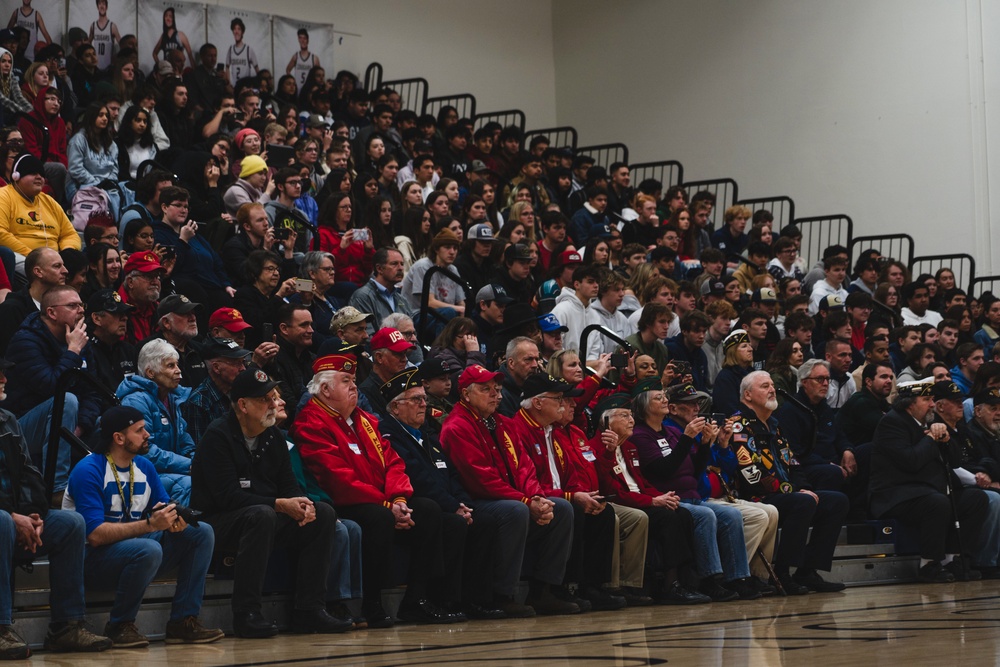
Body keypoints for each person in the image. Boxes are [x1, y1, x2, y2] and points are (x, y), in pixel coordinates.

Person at [292, 353, 460, 627]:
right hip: (343, 501)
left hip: (380, 499)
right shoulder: (311, 422)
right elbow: (336, 478)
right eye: (345, 380)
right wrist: (386, 505)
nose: (354, 387)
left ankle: (416, 600)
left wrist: (399, 498)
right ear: (324, 389)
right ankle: (372, 602)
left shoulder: (364, 419)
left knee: (428, 509)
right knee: (378, 518)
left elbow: (393, 462)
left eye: (355, 381)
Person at [63, 405, 223, 647]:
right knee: (148, 549)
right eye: (139, 430)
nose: (148, 434)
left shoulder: (144, 467)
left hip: (132, 553)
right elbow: (94, 535)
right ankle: (119, 625)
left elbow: (161, 509)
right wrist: (150, 525)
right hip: (90, 560)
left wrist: (173, 521)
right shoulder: (89, 470)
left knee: (201, 532)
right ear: (118, 438)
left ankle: (183, 621)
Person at [439, 364, 579, 616]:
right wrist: (526, 501)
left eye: (497, 389)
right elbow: (481, 480)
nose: (496, 395)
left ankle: (543, 591)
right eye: (486, 389)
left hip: (508, 498)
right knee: (515, 511)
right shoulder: (456, 427)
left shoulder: (502, 422)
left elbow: (524, 469)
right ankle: (502, 594)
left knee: (563, 508)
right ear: (466, 395)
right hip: (474, 502)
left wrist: (537, 497)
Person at [0, 355, 113, 657]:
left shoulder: (7, 420)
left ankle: (66, 626)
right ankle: (0, 628)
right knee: (0, 522)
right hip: (2, 521)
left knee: (70, 524)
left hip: (16, 519)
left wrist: (33, 515)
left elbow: (30, 475)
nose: (4, 379)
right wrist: (13, 517)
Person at [378, 367, 507, 618]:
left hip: (445, 503)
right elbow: (418, 478)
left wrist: (464, 503)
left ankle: (474, 598)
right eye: (416, 400)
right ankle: (433, 598)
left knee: (485, 521)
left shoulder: (426, 435)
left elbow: (452, 475)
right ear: (395, 408)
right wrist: (453, 507)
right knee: (448, 520)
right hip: (416, 503)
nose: (423, 405)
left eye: (424, 399)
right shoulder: (389, 434)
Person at [725, 370, 848, 594]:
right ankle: (781, 573)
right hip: (754, 496)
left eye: (772, 384)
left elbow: (793, 463)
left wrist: (803, 488)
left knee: (835, 501)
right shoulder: (738, 426)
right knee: (803, 503)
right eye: (764, 386)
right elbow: (751, 475)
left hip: (784, 493)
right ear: (748, 395)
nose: (772, 389)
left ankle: (807, 571)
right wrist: (794, 491)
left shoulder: (774, 424)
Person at [510, 373, 625, 611]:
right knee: (569, 508)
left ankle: (591, 585)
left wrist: (581, 494)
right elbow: (525, 478)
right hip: (533, 498)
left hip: (557, 495)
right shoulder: (518, 429)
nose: (564, 404)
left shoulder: (551, 430)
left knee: (601, 512)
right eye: (558, 398)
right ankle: (550, 588)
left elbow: (570, 474)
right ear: (539, 402)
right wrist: (572, 497)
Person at [870, 379, 989, 582]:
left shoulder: (929, 422)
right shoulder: (892, 423)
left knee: (975, 499)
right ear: (909, 404)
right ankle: (929, 564)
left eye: (932, 399)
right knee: (937, 502)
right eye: (926, 399)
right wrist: (931, 439)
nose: (932, 404)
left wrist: (946, 439)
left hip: (927, 490)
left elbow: (955, 461)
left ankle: (953, 559)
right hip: (896, 494)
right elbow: (911, 461)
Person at [5, 286, 99, 500]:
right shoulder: (26, 341)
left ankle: (105, 485)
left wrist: (81, 425)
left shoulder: (79, 339)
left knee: (109, 422)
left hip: (65, 423)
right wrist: (72, 351)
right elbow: (50, 387)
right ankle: (56, 488)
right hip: (20, 428)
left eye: (81, 304)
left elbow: (92, 392)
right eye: (72, 306)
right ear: (51, 312)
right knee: (67, 401)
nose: (81, 310)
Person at [116, 338, 195, 505]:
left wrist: (198, 461)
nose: (179, 371)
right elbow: (145, 451)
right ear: (150, 372)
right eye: (170, 366)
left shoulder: (174, 398)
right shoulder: (136, 401)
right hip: (140, 472)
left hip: (171, 469)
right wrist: (189, 465)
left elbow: (185, 440)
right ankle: (176, 530)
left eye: (177, 365)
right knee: (188, 485)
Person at [0, 153, 79, 263]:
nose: (39, 177)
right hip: (22, 257)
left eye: (41, 174)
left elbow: (69, 234)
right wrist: (34, 257)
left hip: (53, 260)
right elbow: (1, 233)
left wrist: (67, 252)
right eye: (32, 173)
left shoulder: (49, 201)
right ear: (16, 176)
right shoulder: (3, 196)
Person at [87, 288, 138, 393]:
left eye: (125, 313)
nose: (125, 318)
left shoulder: (129, 351)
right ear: (96, 318)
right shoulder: (85, 351)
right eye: (116, 313)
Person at [837, 362, 894, 447]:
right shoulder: (861, 402)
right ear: (869, 382)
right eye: (884, 377)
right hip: (849, 453)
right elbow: (888, 428)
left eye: (891, 377)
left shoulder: (879, 399)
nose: (889, 381)